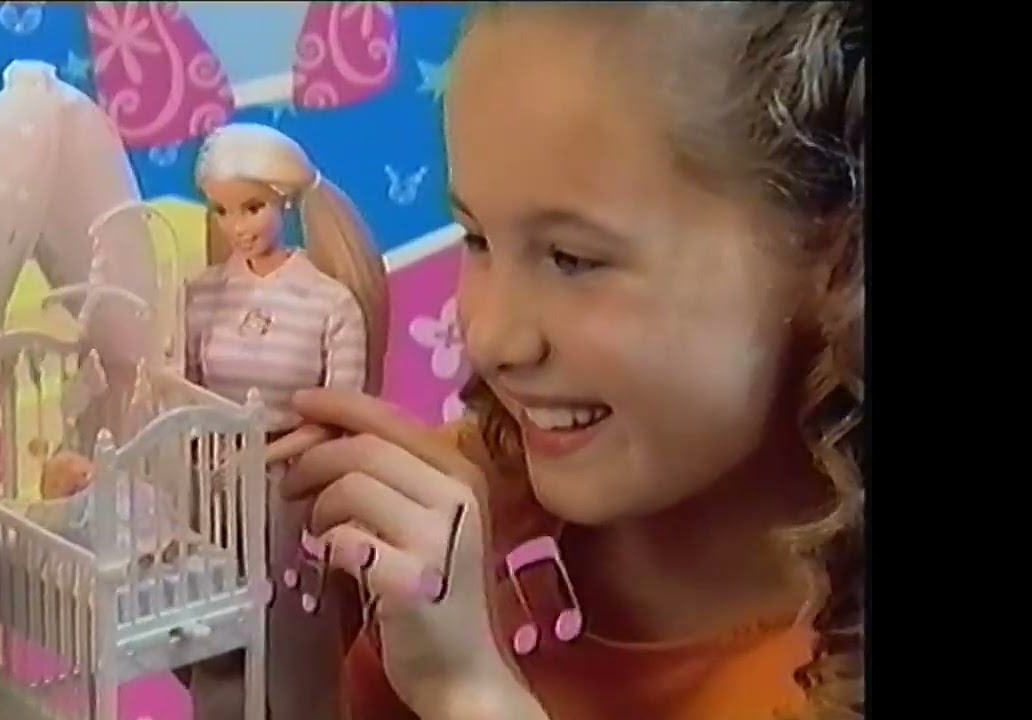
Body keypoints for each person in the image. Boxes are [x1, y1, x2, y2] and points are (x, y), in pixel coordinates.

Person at [278, 3, 865, 720]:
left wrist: (472, 696)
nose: (491, 338)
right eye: (476, 238)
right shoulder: (446, 542)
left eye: (573, 258)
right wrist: (270, 670)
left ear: (833, 253)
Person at [179, 122, 389, 720]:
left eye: (252, 207)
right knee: (213, 629)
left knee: (293, 632)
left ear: (284, 201)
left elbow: (339, 410)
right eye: (222, 210)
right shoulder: (202, 294)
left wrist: (265, 456)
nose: (237, 226)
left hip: (293, 484)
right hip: (214, 481)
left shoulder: (328, 301)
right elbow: (186, 388)